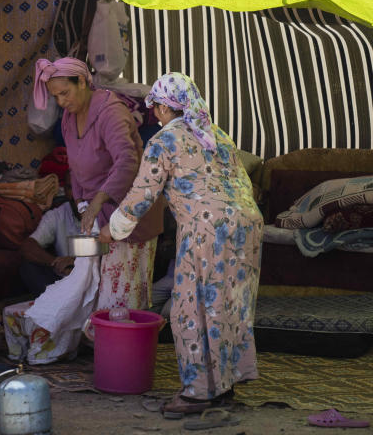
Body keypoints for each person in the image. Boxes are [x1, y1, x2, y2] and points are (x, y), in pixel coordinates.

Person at [98, 72, 263, 416]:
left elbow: (142, 194)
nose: (154, 114)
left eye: (155, 106)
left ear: (163, 107)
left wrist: (112, 230)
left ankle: (198, 393)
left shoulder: (164, 140)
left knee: (191, 310)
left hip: (207, 229)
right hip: (247, 225)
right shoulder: (218, 135)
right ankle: (223, 386)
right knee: (228, 305)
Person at [33, 57, 162, 310]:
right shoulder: (69, 119)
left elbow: (127, 161)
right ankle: (97, 343)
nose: (61, 102)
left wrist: (97, 202)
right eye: (56, 97)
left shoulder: (110, 112)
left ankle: (122, 347)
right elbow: (75, 167)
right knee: (92, 291)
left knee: (121, 297)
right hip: (100, 217)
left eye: (65, 93)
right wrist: (83, 205)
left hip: (128, 216)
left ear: (82, 81)